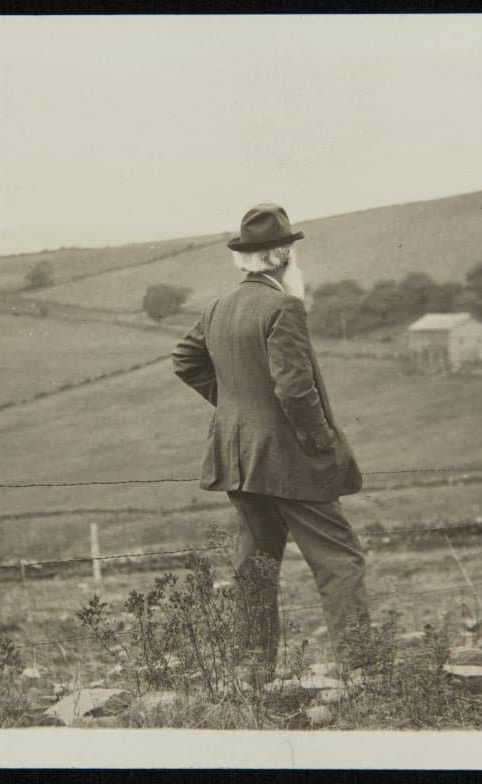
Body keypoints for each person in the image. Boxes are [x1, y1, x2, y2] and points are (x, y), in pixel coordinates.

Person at [172, 203, 371, 675]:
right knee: (339, 561)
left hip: (239, 459)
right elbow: (295, 388)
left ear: (245, 261)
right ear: (283, 259)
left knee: (255, 566)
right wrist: (319, 441)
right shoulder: (285, 305)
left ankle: (254, 672)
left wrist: (238, 410)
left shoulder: (219, 307)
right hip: (291, 460)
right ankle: (365, 670)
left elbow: (185, 360)